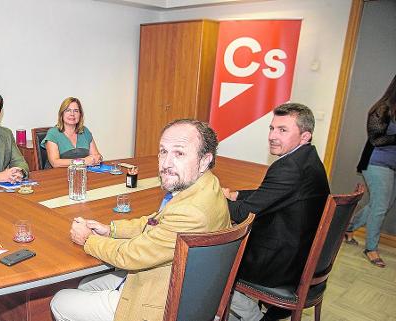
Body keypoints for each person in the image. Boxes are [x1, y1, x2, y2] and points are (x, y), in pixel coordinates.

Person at [50, 119, 231, 321]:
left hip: (163, 303)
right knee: (85, 285)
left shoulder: (191, 213)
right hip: (180, 283)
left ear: (205, 160)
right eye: (163, 151)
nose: (166, 163)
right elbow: (155, 222)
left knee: (60, 300)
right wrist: (110, 230)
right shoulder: (208, 185)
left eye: (179, 153)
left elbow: (130, 255)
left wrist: (87, 239)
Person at [224, 103, 330, 321]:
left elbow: (243, 213)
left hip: (280, 264)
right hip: (300, 254)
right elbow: (274, 192)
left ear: (304, 136)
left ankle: (253, 316)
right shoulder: (307, 159)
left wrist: (211, 197)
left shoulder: (290, 167)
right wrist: (236, 195)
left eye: (283, 130)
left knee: (212, 262)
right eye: (272, 128)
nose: (273, 136)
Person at [346, 74, 396, 268]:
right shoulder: (382, 108)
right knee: (380, 207)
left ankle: (348, 228)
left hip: (392, 166)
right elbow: (376, 139)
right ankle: (371, 248)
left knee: (380, 204)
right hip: (376, 163)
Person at [41, 97, 103, 168]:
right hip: (57, 175)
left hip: (82, 174)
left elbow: (96, 155)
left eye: (76, 111)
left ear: (80, 114)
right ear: (62, 114)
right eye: (68, 110)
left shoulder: (85, 131)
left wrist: (98, 158)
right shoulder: (53, 133)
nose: (72, 114)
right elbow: (55, 163)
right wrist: (83, 161)